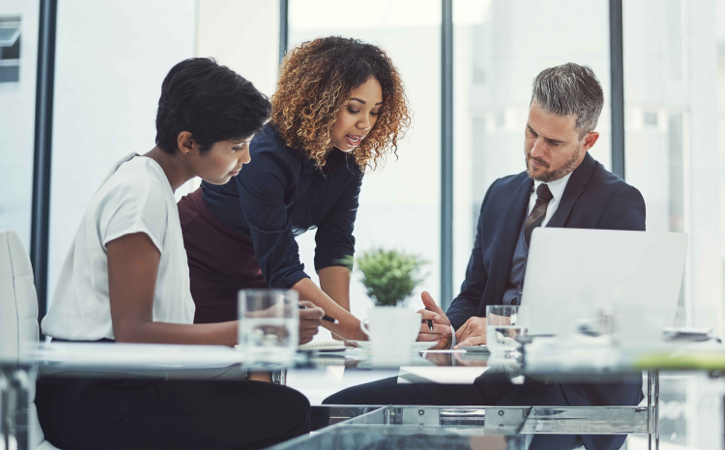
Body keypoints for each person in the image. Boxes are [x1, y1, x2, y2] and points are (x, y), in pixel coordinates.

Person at [325, 63, 646, 450]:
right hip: (493, 377)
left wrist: (509, 332)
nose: (535, 150)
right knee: (340, 410)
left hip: (570, 388)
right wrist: (448, 328)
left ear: (588, 140)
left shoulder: (617, 203)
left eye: (554, 143)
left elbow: (611, 321)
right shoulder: (501, 194)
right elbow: (473, 293)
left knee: (485, 440)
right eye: (531, 132)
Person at [36, 58, 324, 450]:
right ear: (188, 142)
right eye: (236, 146)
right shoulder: (139, 196)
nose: (247, 159)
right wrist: (256, 330)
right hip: (95, 400)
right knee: (285, 411)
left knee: (280, 405)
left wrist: (258, 325)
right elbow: (134, 333)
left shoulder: (146, 183)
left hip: (112, 387)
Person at [178, 36, 410, 340]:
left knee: (264, 372)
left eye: (375, 111)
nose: (366, 124)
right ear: (319, 101)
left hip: (261, 271)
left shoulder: (349, 162)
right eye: (354, 109)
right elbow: (283, 270)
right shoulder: (264, 153)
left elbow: (335, 246)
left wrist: (348, 338)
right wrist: (361, 333)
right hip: (199, 259)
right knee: (209, 373)